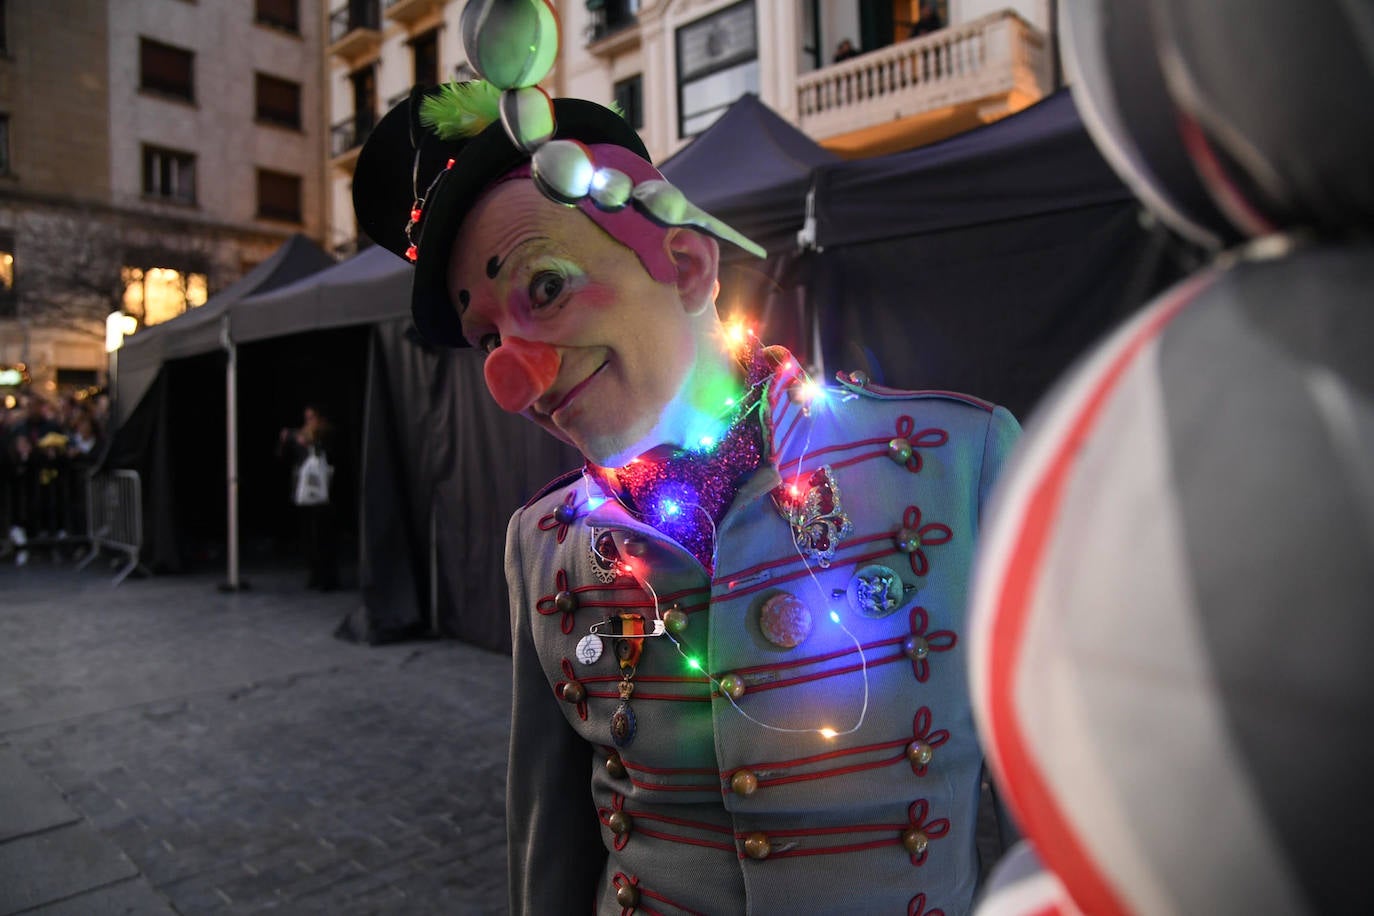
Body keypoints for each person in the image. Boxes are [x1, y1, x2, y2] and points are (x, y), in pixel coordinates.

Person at [352, 36, 1019, 915]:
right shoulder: (541, 551)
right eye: (486, 343)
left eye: (543, 289)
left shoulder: (955, 461)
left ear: (685, 262)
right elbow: (545, 852)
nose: (514, 379)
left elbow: (1054, 822)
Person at [278, 405, 338, 591]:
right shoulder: (301, 435)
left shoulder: (325, 434)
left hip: (323, 493)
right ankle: (314, 574)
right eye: (307, 418)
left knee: (323, 536)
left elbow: (326, 456)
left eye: (312, 417)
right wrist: (285, 441)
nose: (309, 421)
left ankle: (328, 577)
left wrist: (310, 443)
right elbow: (282, 456)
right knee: (308, 536)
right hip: (304, 492)